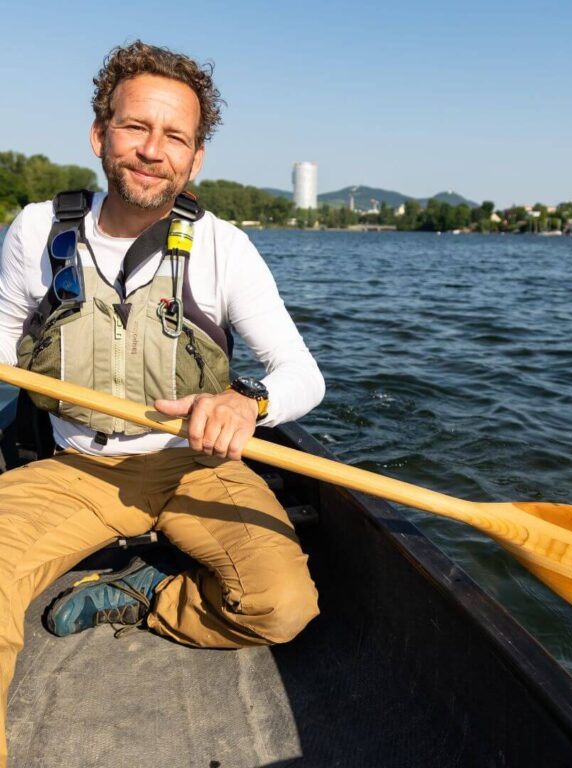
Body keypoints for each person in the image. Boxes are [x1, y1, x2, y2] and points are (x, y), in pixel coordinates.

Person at [0, 41, 324, 766]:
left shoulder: (224, 248)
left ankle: (145, 598)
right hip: (75, 468)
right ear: (100, 136)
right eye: (136, 128)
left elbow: (302, 374)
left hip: (196, 468)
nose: (153, 151)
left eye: (175, 136)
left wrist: (246, 403)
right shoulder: (35, 232)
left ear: (195, 159)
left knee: (283, 607)